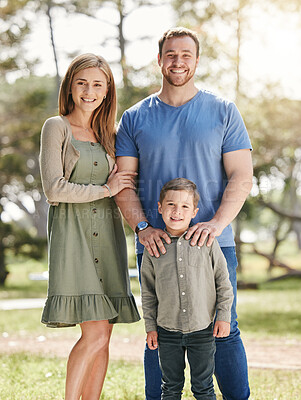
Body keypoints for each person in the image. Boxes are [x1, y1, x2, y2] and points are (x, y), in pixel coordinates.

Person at [115, 27, 253, 400]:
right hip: (156, 245)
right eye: (171, 54)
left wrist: (217, 223)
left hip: (212, 244)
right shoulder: (133, 117)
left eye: (186, 55)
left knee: (224, 328)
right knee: (158, 332)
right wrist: (142, 227)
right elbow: (124, 181)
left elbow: (242, 175)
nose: (178, 61)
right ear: (159, 59)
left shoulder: (223, 110)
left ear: (196, 60)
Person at [39, 53, 140, 400]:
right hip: (74, 237)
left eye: (98, 84)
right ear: (70, 86)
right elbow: (54, 188)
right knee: (94, 334)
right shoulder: (57, 127)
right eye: (82, 82)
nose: (89, 91)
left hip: (108, 238)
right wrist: (106, 189)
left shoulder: (110, 135)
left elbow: (129, 182)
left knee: (104, 334)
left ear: (107, 89)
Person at [141, 178, 234, 400]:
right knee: (170, 387)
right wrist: (150, 327)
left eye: (185, 206)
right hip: (167, 331)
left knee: (203, 387)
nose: (177, 211)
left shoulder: (207, 242)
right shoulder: (153, 247)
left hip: (202, 329)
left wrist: (224, 316)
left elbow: (223, 282)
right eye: (171, 204)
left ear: (194, 211)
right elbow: (148, 293)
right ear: (160, 208)